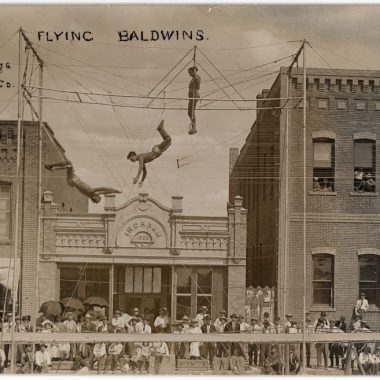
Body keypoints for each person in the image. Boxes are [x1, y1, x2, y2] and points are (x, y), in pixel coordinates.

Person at [45, 159, 121, 203]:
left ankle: (53, 168)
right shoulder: (91, 193)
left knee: (69, 164)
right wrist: (114, 191)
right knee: (68, 164)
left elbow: (103, 188)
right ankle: (51, 167)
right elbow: (104, 191)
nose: (98, 195)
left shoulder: (91, 191)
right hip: (72, 180)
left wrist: (115, 190)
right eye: (98, 198)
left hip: (72, 180)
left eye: (97, 198)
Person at [127, 120, 172, 185]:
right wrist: (141, 181)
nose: (131, 161)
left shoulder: (140, 157)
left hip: (156, 151)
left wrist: (137, 177)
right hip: (157, 152)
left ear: (133, 156)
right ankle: (160, 129)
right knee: (169, 142)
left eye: (131, 159)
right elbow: (145, 171)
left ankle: (160, 128)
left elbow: (140, 167)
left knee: (169, 139)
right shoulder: (140, 159)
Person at [187, 65, 201, 134]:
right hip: (191, 97)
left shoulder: (197, 77)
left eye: (190, 72)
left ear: (193, 72)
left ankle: (194, 128)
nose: (189, 74)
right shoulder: (193, 78)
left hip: (195, 95)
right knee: (189, 112)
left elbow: (198, 85)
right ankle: (193, 126)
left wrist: (195, 74)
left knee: (191, 112)